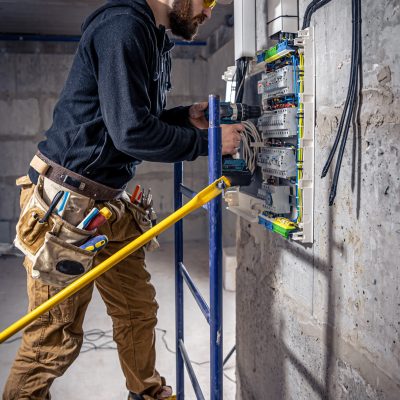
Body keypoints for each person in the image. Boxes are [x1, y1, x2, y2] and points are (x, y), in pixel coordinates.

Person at [3, 0, 242, 399]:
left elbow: (129, 117)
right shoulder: (123, 26)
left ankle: (145, 393)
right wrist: (208, 143)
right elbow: (130, 134)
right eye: (208, 0)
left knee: (137, 310)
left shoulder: (150, 35)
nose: (209, 11)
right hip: (65, 209)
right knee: (52, 342)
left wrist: (185, 117)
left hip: (106, 204)